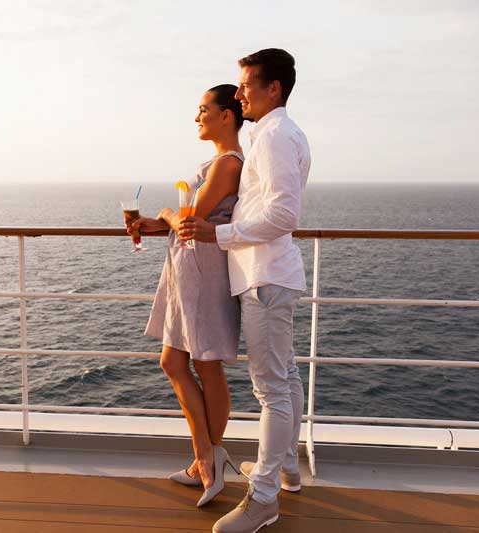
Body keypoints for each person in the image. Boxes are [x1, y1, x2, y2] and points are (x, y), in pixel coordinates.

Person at [179, 48, 311, 533]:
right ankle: (287, 471)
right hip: (270, 274)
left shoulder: (274, 135)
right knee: (287, 379)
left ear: (273, 88)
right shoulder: (274, 134)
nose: (239, 94)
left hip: (265, 276)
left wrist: (221, 234)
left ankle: (263, 501)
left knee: (271, 389)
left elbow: (283, 214)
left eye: (247, 85)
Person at [128, 84, 245, 507]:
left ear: (226, 115)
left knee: (204, 364)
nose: (197, 117)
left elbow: (191, 218)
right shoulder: (215, 164)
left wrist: (164, 214)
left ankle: (206, 462)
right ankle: (207, 459)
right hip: (188, 271)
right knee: (176, 360)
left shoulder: (228, 164)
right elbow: (189, 222)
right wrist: (152, 223)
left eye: (203, 110)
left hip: (204, 273)